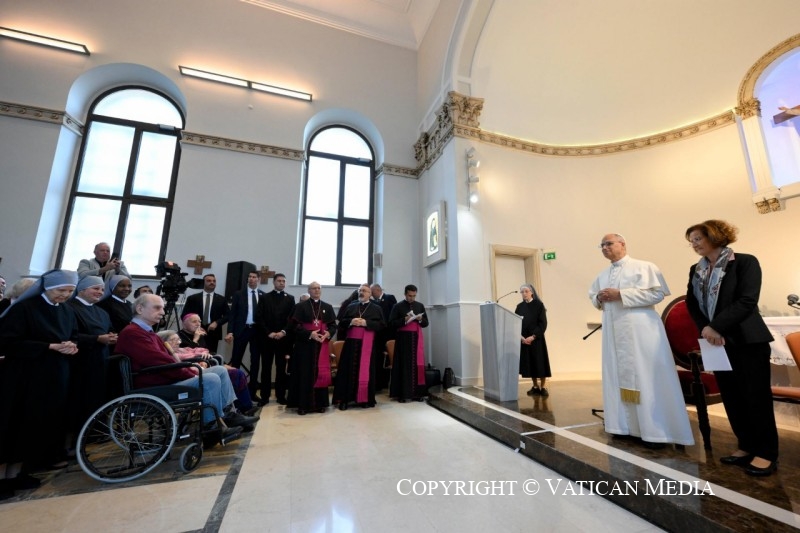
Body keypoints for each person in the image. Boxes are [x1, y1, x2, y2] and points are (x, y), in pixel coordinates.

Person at [684, 220, 777, 476]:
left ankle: (766, 453)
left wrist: (717, 327)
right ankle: (746, 445)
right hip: (715, 342)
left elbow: (747, 300)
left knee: (755, 397)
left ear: (714, 236)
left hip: (747, 340)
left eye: (698, 238)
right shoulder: (696, 270)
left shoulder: (745, 262)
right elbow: (692, 303)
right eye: (691, 241)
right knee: (732, 396)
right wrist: (706, 329)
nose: (694, 244)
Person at [589, 233, 693, 448]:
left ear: (622, 244)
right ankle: (623, 427)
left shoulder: (644, 267)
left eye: (609, 243)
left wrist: (621, 294)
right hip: (614, 334)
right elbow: (593, 297)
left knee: (646, 376)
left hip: (641, 332)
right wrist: (598, 297)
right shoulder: (602, 275)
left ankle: (655, 432)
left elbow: (657, 294)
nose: (605, 248)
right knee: (616, 376)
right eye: (602, 245)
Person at [115, 294, 257, 440]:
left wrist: (189, 371)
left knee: (220, 370)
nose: (163, 312)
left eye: (162, 308)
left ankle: (227, 415)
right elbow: (161, 362)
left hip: (163, 378)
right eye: (157, 308)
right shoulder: (133, 333)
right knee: (211, 379)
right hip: (155, 385)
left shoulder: (147, 332)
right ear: (140, 309)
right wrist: (191, 373)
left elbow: (167, 361)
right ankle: (210, 427)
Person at [0, 270, 79, 500]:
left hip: (53, 376)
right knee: (14, 425)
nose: (65, 295)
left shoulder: (66, 310)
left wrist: (72, 345)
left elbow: (73, 334)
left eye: (70, 291)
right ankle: (2, 477)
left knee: (35, 426)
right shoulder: (25, 308)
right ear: (47, 287)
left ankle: (18, 474)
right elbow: (8, 342)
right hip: (23, 377)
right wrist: (48, 347)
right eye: (61, 290)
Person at [160, 323, 254, 417]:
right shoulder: (170, 355)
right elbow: (185, 366)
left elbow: (201, 349)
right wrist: (199, 360)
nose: (178, 342)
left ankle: (237, 409)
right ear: (163, 342)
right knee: (232, 375)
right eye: (173, 340)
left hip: (201, 367)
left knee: (234, 372)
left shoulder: (182, 349)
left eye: (178, 339)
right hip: (192, 374)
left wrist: (203, 356)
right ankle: (233, 410)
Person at [65, 276, 116, 448]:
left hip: (100, 361)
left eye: (102, 289)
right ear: (82, 289)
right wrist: (96, 339)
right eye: (95, 288)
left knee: (96, 397)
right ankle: (75, 439)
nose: (100, 292)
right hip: (78, 363)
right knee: (78, 400)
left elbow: (109, 330)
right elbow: (68, 335)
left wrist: (111, 337)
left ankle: (94, 433)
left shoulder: (101, 312)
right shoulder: (70, 308)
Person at [333, 284, 385, 410]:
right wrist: (351, 321)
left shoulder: (376, 308)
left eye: (364, 291)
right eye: (360, 290)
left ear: (370, 294)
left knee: (366, 370)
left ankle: (364, 399)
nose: (361, 292)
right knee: (347, 370)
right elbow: (342, 323)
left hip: (367, 344)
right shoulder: (351, 306)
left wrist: (366, 323)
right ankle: (345, 399)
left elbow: (382, 325)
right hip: (351, 344)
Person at [288, 281, 336, 415]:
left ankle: (320, 404)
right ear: (309, 290)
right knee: (304, 374)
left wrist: (328, 334)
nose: (316, 290)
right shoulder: (300, 306)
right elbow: (294, 326)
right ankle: (303, 405)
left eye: (318, 288)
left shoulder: (327, 306)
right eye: (314, 288)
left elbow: (333, 325)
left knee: (320, 373)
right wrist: (309, 334)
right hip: (304, 346)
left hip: (321, 346)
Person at [256, 273, 295, 405]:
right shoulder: (264, 297)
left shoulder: (290, 298)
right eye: (279, 281)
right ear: (274, 282)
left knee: (281, 368)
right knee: (266, 368)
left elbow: (292, 319)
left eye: (283, 281)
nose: (281, 283)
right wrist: (269, 333)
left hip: (283, 340)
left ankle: (280, 395)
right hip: (267, 339)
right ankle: (264, 396)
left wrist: (283, 332)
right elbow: (259, 317)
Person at [226, 271, 266, 399]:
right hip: (241, 330)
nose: (251, 279)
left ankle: (252, 391)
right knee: (236, 359)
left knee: (255, 361)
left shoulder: (263, 295)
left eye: (254, 277)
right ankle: (234, 392)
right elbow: (233, 315)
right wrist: (230, 332)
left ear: (259, 279)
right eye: (249, 277)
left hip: (257, 331)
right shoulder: (239, 294)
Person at [388, 284, 429, 402]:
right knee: (404, 365)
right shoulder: (397, 306)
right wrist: (404, 320)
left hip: (416, 339)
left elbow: (426, 323)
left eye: (414, 296)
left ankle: (417, 394)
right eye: (410, 295)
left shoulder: (420, 306)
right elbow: (391, 323)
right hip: (403, 339)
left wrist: (420, 319)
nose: (412, 298)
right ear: (405, 294)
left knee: (417, 365)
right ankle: (404, 394)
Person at [515, 283, 551, 396]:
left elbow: (543, 323)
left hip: (536, 339)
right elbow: (515, 322)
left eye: (526, 291)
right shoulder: (519, 307)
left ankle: (543, 386)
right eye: (522, 292)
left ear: (531, 292)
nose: (524, 294)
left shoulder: (539, 305)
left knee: (540, 363)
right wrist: (522, 337)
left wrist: (533, 336)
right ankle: (535, 386)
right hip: (525, 340)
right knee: (530, 364)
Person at [181, 274, 229, 354]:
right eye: (209, 281)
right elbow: (184, 315)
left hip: (213, 332)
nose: (212, 282)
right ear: (203, 283)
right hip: (195, 332)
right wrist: (196, 326)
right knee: (194, 355)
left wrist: (217, 323)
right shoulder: (193, 298)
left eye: (214, 281)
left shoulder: (221, 299)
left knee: (211, 356)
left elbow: (228, 315)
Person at [370, 283, 397, 390]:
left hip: (388, 334)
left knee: (387, 359)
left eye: (372, 292)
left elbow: (393, 315)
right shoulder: (373, 302)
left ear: (377, 290)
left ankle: (385, 382)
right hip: (378, 335)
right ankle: (378, 383)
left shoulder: (389, 298)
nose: (371, 294)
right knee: (379, 359)